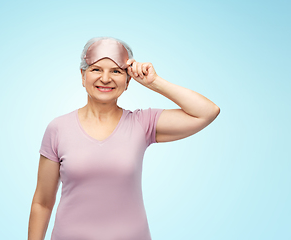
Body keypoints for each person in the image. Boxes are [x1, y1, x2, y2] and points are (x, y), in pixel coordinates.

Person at [28, 37, 220, 240]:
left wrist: (155, 82)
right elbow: (42, 202)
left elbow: (207, 112)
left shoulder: (142, 123)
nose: (105, 78)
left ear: (128, 81)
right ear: (82, 75)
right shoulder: (58, 129)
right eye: (96, 69)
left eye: (116, 71)